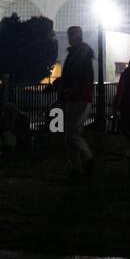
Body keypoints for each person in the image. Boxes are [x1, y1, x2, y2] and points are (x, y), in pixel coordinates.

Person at [55, 25, 95, 179]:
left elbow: (72, 77)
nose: (70, 38)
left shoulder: (77, 54)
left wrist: (63, 88)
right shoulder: (81, 53)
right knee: (71, 135)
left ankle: (85, 161)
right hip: (77, 97)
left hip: (77, 98)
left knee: (71, 134)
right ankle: (79, 167)